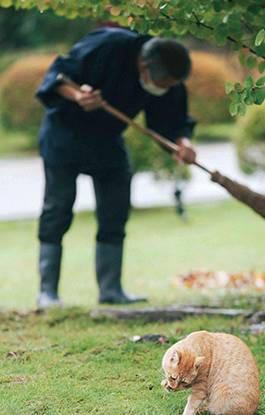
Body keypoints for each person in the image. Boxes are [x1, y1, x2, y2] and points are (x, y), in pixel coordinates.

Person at [35, 27, 197, 307]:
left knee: (115, 208)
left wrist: (181, 143)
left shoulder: (166, 71)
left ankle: (111, 291)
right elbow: (57, 75)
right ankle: (47, 292)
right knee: (58, 208)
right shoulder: (107, 45)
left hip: (107, 137)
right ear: (144, 67)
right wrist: (78, 95)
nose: (166, 88)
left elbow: (172, 118)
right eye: (164, 83)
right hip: (65, 131)